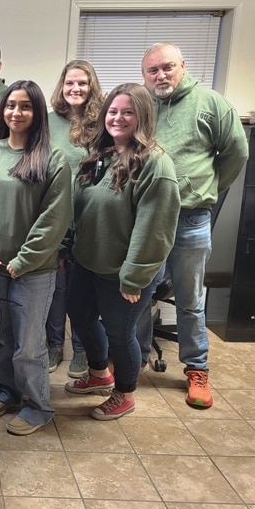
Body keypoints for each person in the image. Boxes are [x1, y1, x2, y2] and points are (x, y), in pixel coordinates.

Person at [138, 43, 248, 408]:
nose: (160, 75)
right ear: (144, 75)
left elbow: (237, 152)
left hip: (191, 219)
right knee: (138, 294)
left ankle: (197, 369)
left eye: (167, 67)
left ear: (183, 65)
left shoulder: (210, 102)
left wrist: (209, 188)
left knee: (189, 300)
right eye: (152, 70)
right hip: (148, 219)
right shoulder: (144, 106)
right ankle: (133, 361)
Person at [64, 83, 180, 420]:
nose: (118, 118)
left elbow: (154, 230)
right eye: (113, 111)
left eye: (128, 112)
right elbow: (83, 209)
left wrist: (134, 277)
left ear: (142, 116)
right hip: (88, 261)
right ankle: (100, 374)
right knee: (81, 317)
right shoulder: (100, 155)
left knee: (120, 333)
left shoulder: (156, 165)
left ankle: (125, 392)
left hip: (125, 272)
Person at [0, 80, 71, 436]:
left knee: (29, 345)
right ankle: (7, 391)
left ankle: (39, 405)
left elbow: (54, 219)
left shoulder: (52, 159)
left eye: (25, 106)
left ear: (37, 112)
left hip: (33, 271)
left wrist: (23, 260)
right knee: (0, 339)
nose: (16, 112)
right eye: (11, 106)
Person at [46, 60, 105, 378]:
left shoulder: (102, 123)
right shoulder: (48, 120)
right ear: (62, 85)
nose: (75, 88)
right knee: (55, 288)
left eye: (82, 83)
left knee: (82, 291)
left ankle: (82, 350)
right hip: (55, 214)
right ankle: (55, 345)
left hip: (88, 218)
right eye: (70, 82)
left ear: (91, 86)